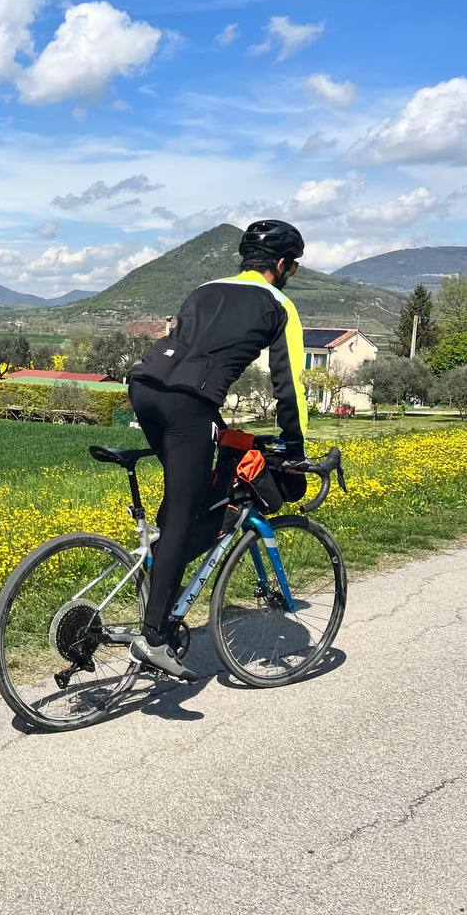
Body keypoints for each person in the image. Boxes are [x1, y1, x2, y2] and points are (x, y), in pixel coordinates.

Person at [125, 219, 309, 681]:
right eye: (292, 268)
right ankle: (153, 638)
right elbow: (289, 385)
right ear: (282, 264)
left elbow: (189, 351)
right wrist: (294, 445)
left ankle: (160, 571)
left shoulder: (204, 289)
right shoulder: (279, 304)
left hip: (144, 388)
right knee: (185, 513)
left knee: (187, 496)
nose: (290, 275)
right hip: (189, 405)